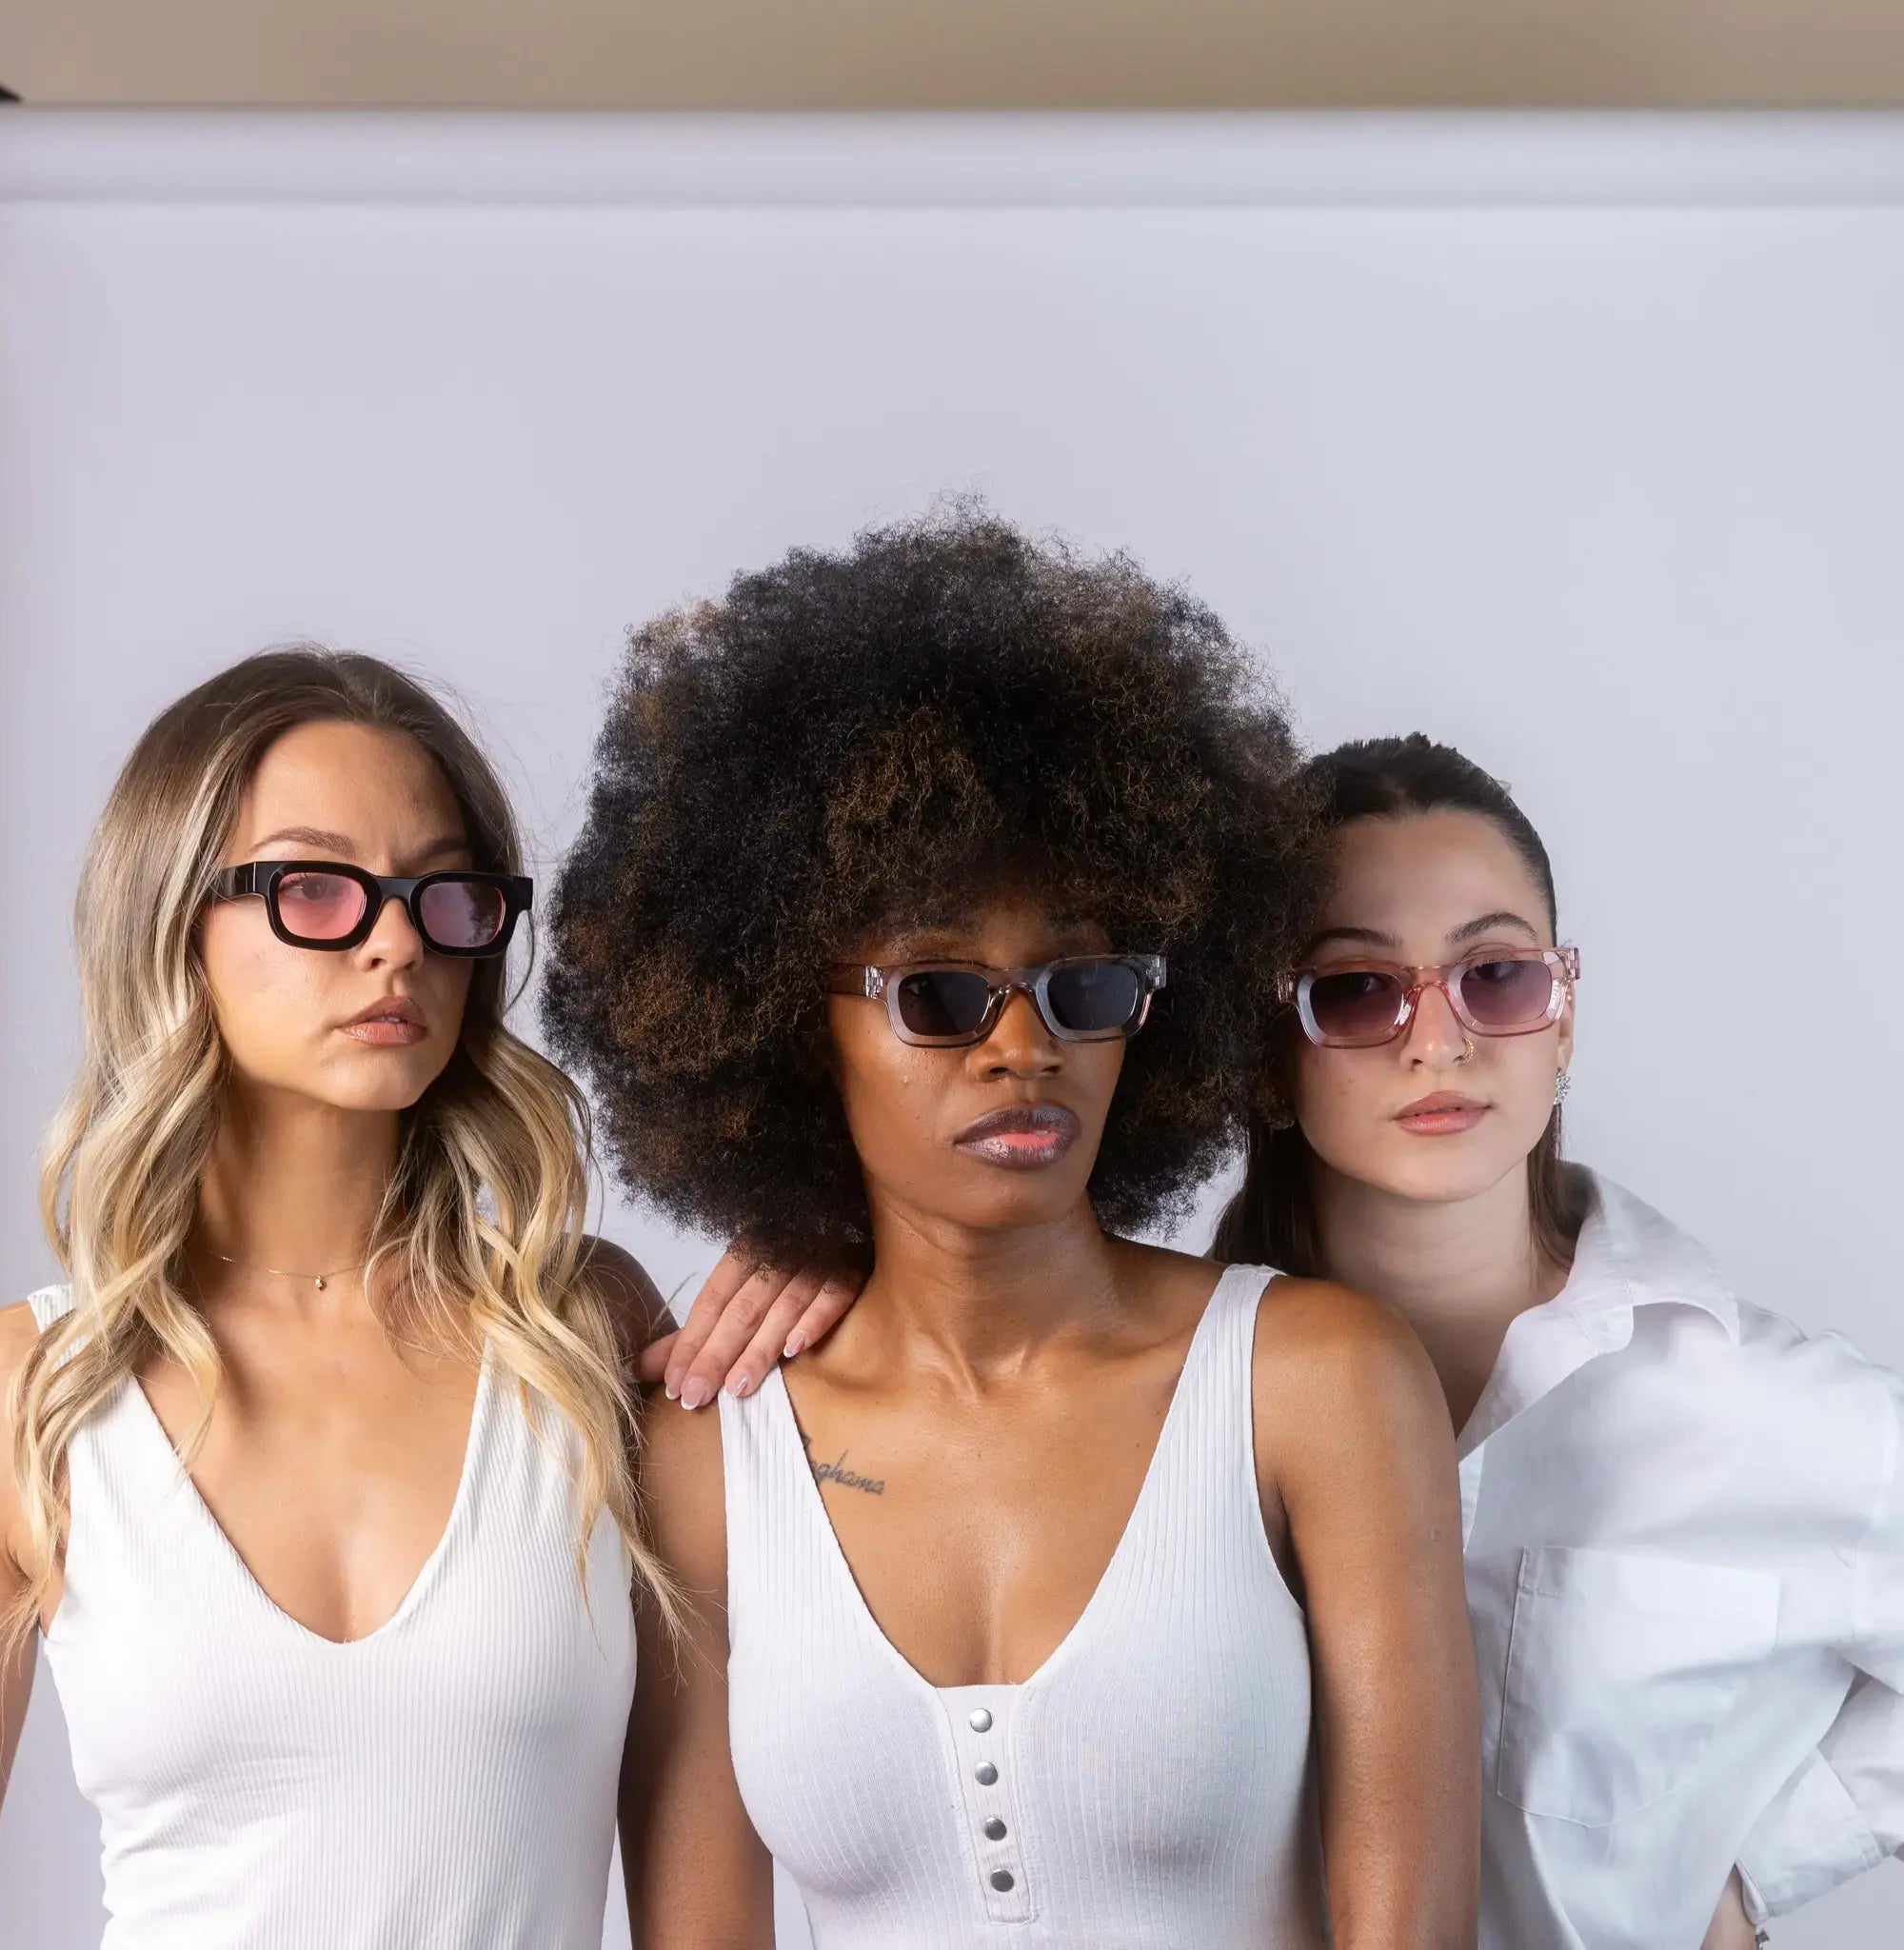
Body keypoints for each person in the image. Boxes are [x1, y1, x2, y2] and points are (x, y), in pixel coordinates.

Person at [546, 509, 1482, 1948]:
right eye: (938, 993)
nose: (1020, 1047)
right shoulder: (707, 1453)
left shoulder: (1318, 1380)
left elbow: (1410, 1929)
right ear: (799, 1031)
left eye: (1082, 988)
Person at [0, 647, 851, 1950]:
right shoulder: (15, 1396)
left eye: (444, 894)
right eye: (315, 888)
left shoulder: (587, 1335)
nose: (394, 941)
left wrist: (858, 1254)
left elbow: (707, 1913)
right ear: (170, 920)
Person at [1210, 732, 1903, 1950]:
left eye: (1497, 974)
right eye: (1358, 989)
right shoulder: (1161, 1401)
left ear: (1564, 1019)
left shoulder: (1768, 1412)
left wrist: (1751, 1865)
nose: (1438, 1039)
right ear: (1265, 1053)